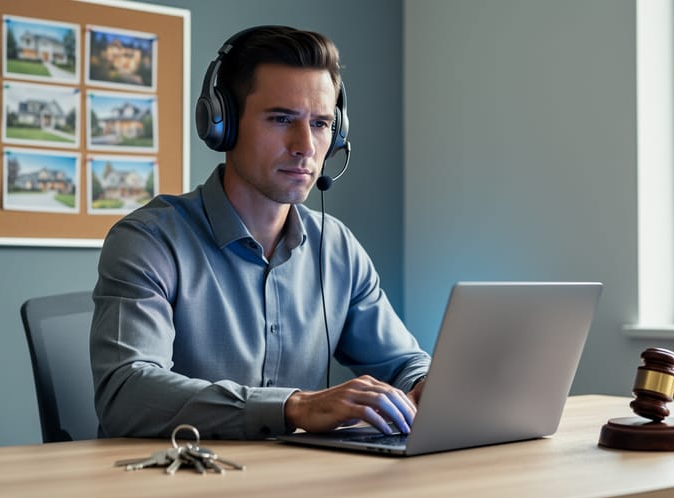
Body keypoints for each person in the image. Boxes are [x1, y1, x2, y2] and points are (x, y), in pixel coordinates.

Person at [90, 25, 430, 440]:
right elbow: (126, 392)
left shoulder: (336, 248)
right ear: (223, 124)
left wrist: (430, 386)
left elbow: (403, 361)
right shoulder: (149, 240)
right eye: (281, 118)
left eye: (321, 123)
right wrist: (295, 407)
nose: (305, 145)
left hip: (293, 489)